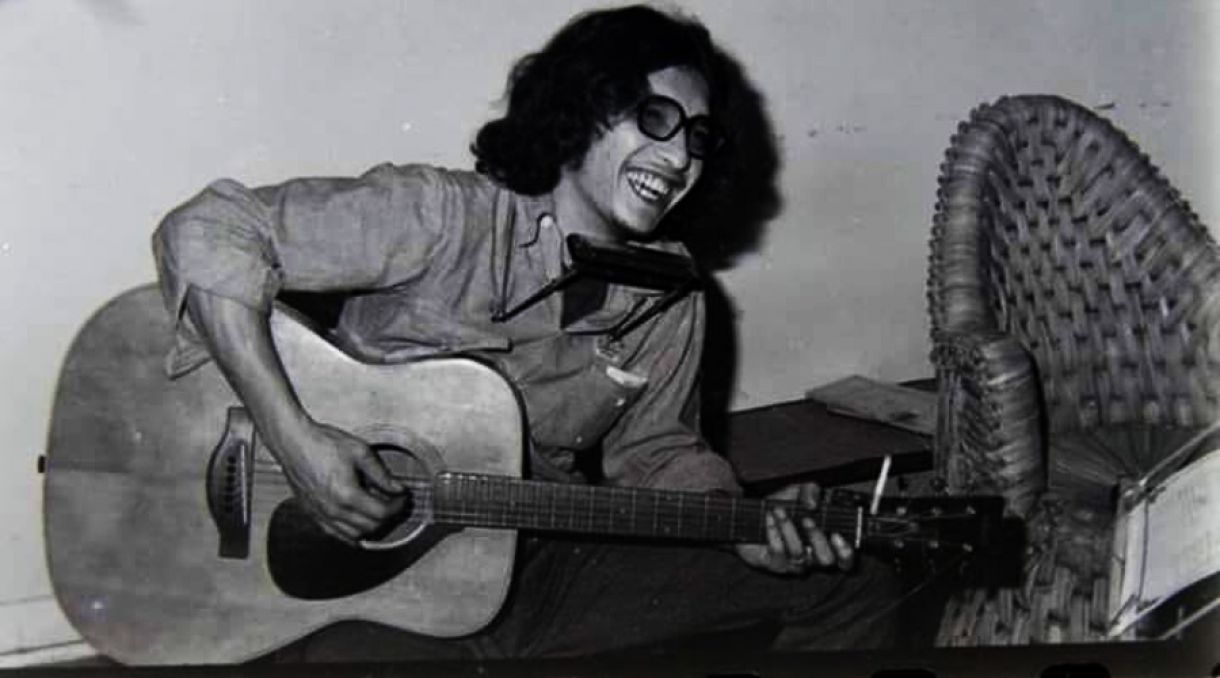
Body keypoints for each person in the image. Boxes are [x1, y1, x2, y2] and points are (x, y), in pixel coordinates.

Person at [152, 4, 902, 660]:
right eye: (655, 118)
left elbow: (657, 454)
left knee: (857, 582)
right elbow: (208, 229)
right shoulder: (443, 216)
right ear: (581, 110)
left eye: (699, 138)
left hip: (546, 569)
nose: (680, 158)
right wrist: (296, 443)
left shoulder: (671, 292)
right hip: (374, 585)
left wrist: (740, 524)